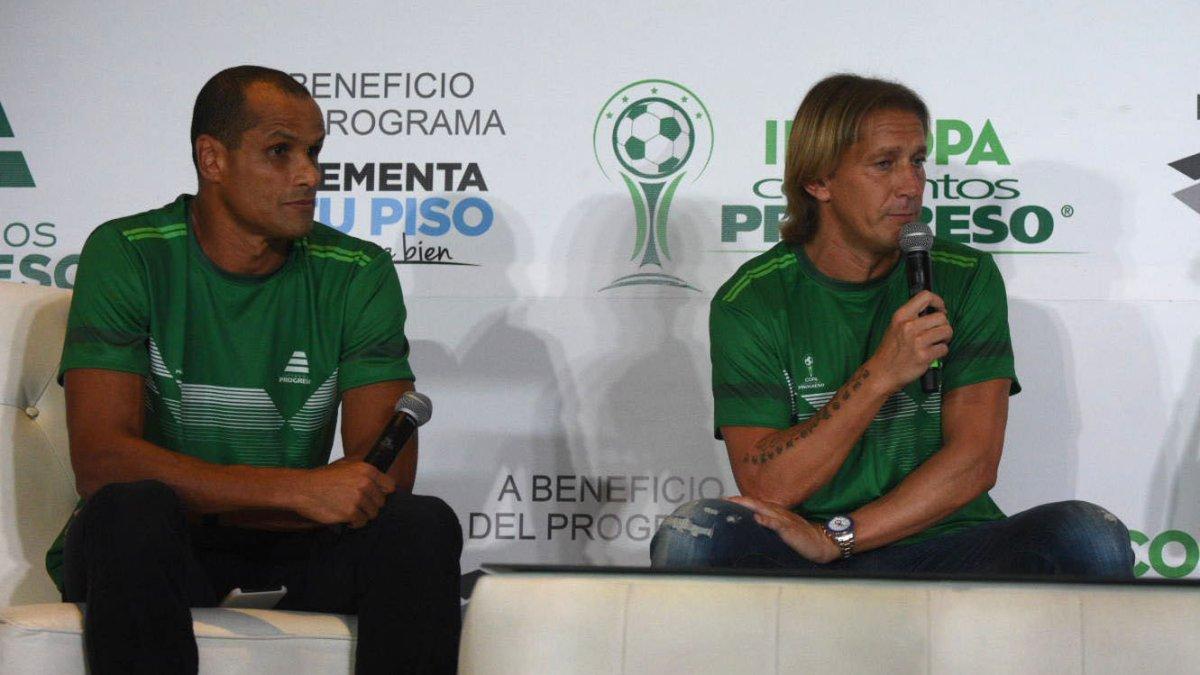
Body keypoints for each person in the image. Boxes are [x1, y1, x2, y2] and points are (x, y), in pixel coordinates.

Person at [49, 65, 462, 674]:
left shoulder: (356, 271)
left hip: (295, 545)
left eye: (314, 152)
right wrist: (295, 490)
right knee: (130, 511)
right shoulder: (130, 252)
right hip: (164, 545)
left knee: (419, 524)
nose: (310, 174)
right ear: (212, 159)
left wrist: (314, 498)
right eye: (279, 151)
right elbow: (102, 460)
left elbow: (383, 478)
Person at [650, 73, 1133, 579]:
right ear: (819, 181)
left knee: (1089, 534)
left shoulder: (964, 276)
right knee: (694, 534)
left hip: (945, 542)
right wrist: (881, 374)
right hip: (804, 548)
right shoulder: (752, 300)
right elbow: (769, 488)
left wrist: (839, 538)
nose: (910, 185)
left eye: (917, 161)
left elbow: (974, 461)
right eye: (884, 164)